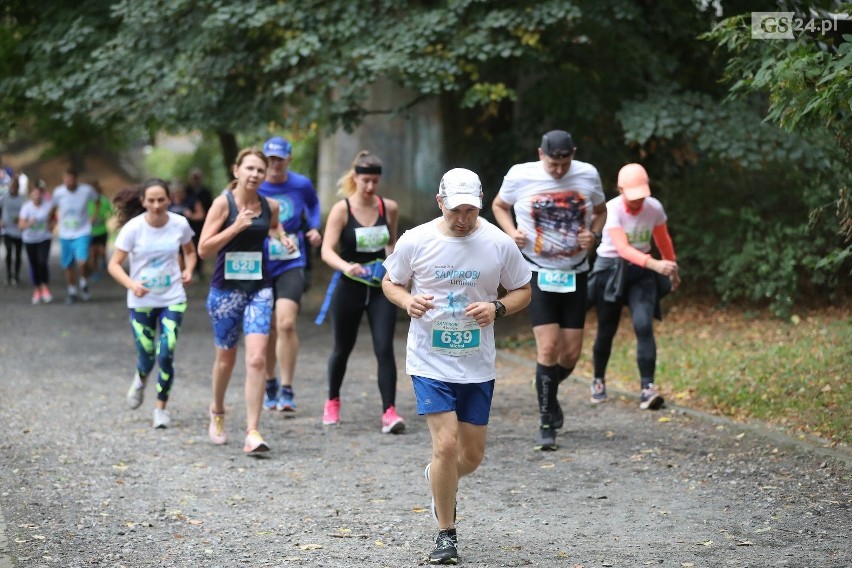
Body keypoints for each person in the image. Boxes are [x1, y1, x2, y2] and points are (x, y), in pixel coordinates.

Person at [382, 168, 531, 564]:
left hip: (476, 363)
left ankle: (438, 478)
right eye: (455, 211)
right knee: (445, 445)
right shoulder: (416, 240)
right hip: (429, 359)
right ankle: (446, 534)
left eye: (470, 210)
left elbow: (523, 290)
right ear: (440, 203)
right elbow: (391, 281)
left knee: (471, 456)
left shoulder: (498, 243)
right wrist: (405, 301)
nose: (463, 219)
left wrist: (497, 307)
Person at [491, 130, 606, 451]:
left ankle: (545, 385)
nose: (558, 171)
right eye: (553, 164)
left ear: (573, 155)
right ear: (541, 153)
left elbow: (601, 211)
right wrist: (512, 232)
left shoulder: (587, 174)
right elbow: (499, 205)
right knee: (548, 348)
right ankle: (545, 424)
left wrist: (593, 236)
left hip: (575, 273)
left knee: (570, 354)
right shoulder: (520, 175)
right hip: (537, 272)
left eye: (564, 164)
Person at [197, 148, 287, 455]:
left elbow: (272, 226)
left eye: (260, 170)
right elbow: (203, 249)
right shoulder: (222, 204)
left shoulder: (270, 205)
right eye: (249, 168)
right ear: (236, 170)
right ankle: (217, 411)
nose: (255, 174)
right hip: (225, 291)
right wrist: (235, 227)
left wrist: (281, 237)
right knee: (226, 358)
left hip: (259, 289)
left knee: (258, 358)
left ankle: (252, 431)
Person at [318, 150, 404, 434]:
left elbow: (391, 244)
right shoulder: (342, 209)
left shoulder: (388, 207)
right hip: (350, 288)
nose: (370, 187)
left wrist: (396, 269)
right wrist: (346, 267)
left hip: (380, 289)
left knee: (384, 348)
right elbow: (326, 250)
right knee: (342, 348)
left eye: (374, 181)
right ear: (355, 177)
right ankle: (332, 401)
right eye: (365, 180)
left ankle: (389, 412)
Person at [589, 163, 680, 410]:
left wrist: (671, 267)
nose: (638, 202)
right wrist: (655, 265)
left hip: (641, 272)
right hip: (611, 269)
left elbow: (663, 240)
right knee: (607, 329)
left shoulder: (654, 208)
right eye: (633, 197)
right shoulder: (612, 209)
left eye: (642, 196)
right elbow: (622, 248)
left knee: (643, 324)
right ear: (620, 190)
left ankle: (647, 389)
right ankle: (598, 380)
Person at [108, 179, 197, 429]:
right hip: (141, 301)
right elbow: (114, 264)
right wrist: (131, 284)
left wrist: (189, 270)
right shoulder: (133, 228)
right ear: (143, 201)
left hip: (173, 298)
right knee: (147, 356)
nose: (156, 205)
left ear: (169, 199)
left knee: (166, 352)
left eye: (161, 200)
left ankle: (161, 408)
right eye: (151, 200)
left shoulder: (179, 224)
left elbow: (190, 251)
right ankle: (140, 378)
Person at [257, 136, 322, 414]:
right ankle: (269, 382)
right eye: (270, 159)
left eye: (279, 159)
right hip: (260, 261)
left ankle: (287, 387)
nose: (275, 164)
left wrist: (315, 228)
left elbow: (314, 205)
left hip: (292, 259)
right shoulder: (255, 184)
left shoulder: (300, 184)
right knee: (269, 326)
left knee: (285, 323)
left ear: (288, 159)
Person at [49, 167, 99, 304]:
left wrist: (93, 217)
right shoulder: (58, 192)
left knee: (82, 262)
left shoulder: (86, 190)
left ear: (76, 179)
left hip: (82, 231)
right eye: (66, 180)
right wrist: (51, 222)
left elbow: (97, 202)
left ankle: (83, 283)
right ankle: (72, 291)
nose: (68, 182)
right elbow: (53, 209)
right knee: (68, 265)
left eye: (71, 180)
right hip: (65, 233)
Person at [18, 180, 55, 304]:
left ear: (42, 195)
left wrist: (52, 225)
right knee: (34, 264)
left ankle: (45, 288)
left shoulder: (48, 205)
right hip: (29, 240)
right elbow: (21, 226)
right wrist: (29, 222)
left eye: (39, 194)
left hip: (44, 238)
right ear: (30, 195)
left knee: (42, 262)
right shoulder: (26, 207)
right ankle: (37, 289)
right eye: (34, 194)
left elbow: (54, 218)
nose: (37, 196)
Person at [186, 168, 214, 277]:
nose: (195, 180)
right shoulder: (187, 191)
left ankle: (199, 269)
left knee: (199, 245)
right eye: (194, 177)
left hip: (202, 223)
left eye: (197, 178)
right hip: (189, 223)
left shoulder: (206, 191)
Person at [0, 174, 25, 287]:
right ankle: (9, 275)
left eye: (15, 186)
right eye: (11, 186)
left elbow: (27, 213)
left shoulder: (22, 199)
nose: (13, 188)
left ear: (18, 187)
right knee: (9, 252)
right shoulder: (4, 198)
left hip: (19, 231)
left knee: (18, 254)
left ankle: (16, 276)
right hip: (7, 230)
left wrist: (20, 219)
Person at [87, 180, 114, 282]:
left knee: (102, 251)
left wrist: (104, 218)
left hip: (102, 230)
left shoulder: (104, 200)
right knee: (93, 253)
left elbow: (111, 212)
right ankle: (95, 271)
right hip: (90, 231)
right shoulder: (86, 201)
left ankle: (103, 262)